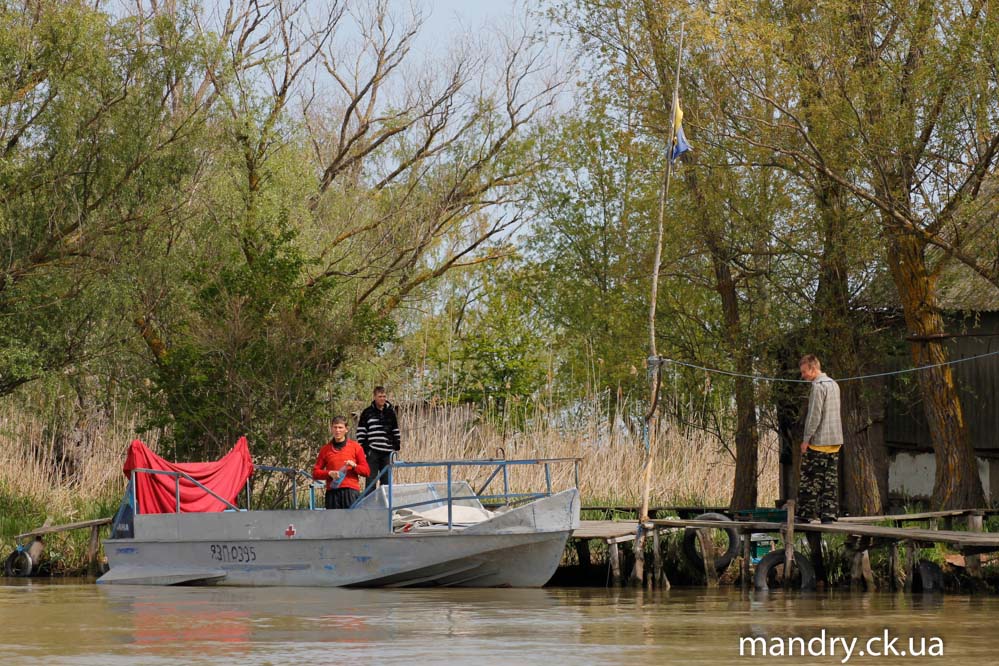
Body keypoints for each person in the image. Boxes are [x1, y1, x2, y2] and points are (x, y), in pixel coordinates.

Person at [798, 354, 843, 523]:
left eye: (804, 372)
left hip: (819, 442)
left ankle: (806, 515)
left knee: (810, 479)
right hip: (835, 440)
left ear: (813, 368)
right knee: (830, 481)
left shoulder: (818, 387)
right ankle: (829, 515)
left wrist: (806, 439)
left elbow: (814, 416)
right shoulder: (834, 384)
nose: (803, 376)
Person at [313, 416, 370, 509]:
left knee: (351, 518)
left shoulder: (356, 447)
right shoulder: (325, 449)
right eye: (335, 427)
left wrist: (354, 466)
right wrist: (329, 473)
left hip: (350, 492)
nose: (337, 430)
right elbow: (315, 473)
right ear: (331, 428)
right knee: (333, 519)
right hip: (332, 493)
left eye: (340, 427)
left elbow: (366, 471)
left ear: (346, 429)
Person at [356, 386, 401, 497]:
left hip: (387, 452)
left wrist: (396, 446)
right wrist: (366, 449)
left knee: (386, 481)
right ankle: (369, 505)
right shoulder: (367, 412)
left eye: (384, 396)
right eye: (380, 396)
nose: (382, 399)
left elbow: (395, 430)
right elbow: (361, 432)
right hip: (373, 451)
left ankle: (385, 504)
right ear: (374, 397)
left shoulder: (390, 412)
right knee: (371, 480)